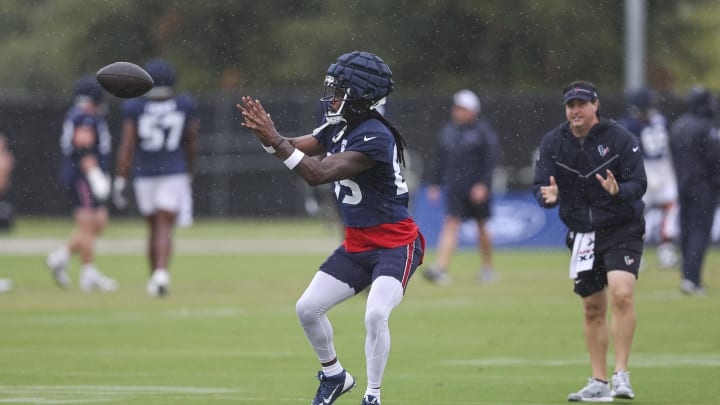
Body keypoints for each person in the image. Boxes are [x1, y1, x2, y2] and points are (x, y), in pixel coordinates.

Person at [237, 51, 424, 405]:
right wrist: (267, 135)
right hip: (357, 244)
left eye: (339, 90)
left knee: (375, 313)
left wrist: (275, 141)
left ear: (359, 95)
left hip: (396, 244)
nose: (332, 97)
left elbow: (317, 173)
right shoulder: (339, 125)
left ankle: (373, 396)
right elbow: (291, 147)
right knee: (307, 309)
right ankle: (335, 375)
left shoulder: (375, 136)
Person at [533, 81, 646, 402]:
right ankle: (598, 381)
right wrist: (548, 198)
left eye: (582, 104)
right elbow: (540, 184)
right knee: (591, 307)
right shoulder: (553, 143)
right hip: (582, 233)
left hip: (622, 226)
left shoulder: (621, 139)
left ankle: (621, 375)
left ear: (596, 105)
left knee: (622, 294)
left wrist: (618, 191)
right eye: (570, 105)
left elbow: (639, 182)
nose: (575, 110)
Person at [113, 59, 198, 298]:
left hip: (145, 172)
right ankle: (160, 273)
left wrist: (120, 178)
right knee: (164, 227)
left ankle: (156, 276)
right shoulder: (184, 104)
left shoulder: (136, 107)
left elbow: (128, 144)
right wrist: (190, 168)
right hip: (173, 169)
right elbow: (191, 141)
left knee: (153, 228)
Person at [46, 76, 118, 292]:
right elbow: (83, 145)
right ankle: (89, 273)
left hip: (84, 175)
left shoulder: (81, 114)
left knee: (99, 223)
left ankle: (61, 256)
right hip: (83, 177)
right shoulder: (85, 116)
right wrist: (95, 174)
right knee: (87, 224)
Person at [422, 89, 500, 285]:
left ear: (473, 110)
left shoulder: (483, 132)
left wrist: (483, 184)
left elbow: (490, 161)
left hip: (477, 188)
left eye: (462, 108)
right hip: (455, 188)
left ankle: (488, 269)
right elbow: (440, 161)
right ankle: (440, 268)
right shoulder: (447, 131)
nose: (458, 112)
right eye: (456, 108)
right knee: (451, 224)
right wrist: (434, 184)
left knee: (481, 226)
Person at [618, 88, 679, 269]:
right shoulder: (658, 121)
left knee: (641, 211)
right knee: (659, 209)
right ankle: (656, 251)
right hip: (655, 168)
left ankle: (655, 251)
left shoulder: (630, 124)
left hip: (649, 166)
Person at [668, 86, 720, 295]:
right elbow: (715, 159)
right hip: (704, 186)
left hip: (682, 184)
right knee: (700, 231)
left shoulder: (678, 125)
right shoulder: (707, 127)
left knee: (687, 230)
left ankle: (687, 276)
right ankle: (692, 278)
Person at [0, 133, 14, 231]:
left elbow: (6, 169)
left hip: (4, 188)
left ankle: (5, 226)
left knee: (5, 208)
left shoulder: (7, 157)